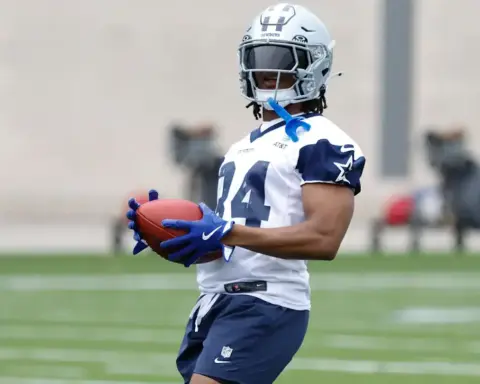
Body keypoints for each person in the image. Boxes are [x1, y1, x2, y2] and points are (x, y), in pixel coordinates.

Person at [127, 3, 366, 383]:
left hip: (265, 302)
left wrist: (226, 232)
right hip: (217, 299)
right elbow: (228, 242)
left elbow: (325, 239)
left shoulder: (324, 141)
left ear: (313, 63)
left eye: (279, 58)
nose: (265, 70)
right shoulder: (242, 147)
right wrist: (173, 234)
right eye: (258, 58)